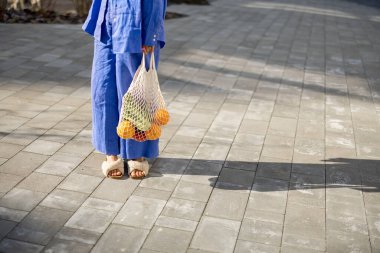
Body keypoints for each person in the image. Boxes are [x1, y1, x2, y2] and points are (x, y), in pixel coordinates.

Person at [82, 0, 167, 179]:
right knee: (103, 90)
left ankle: (136, 153)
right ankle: (110, 151)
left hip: (137, 23)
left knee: (136, 93)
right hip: (108, 19)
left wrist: (151, 33)